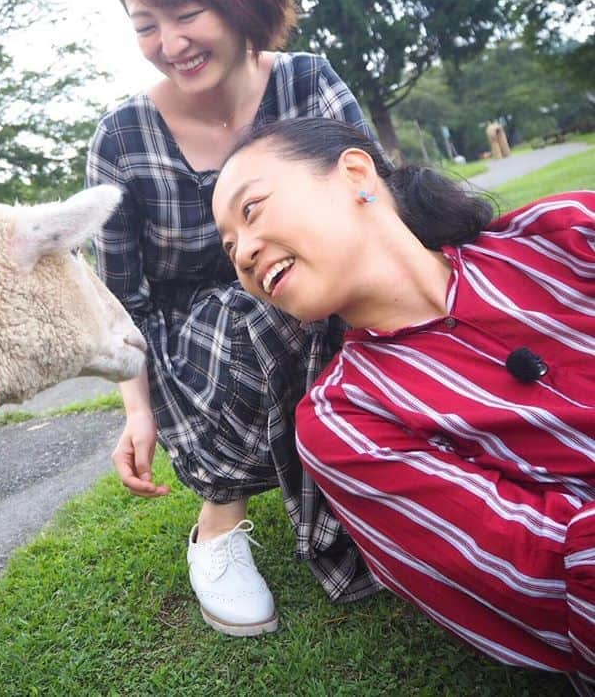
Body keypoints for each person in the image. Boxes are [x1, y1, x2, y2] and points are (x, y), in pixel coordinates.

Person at [86, 0, 380, 637]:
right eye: (145, 25)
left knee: (309, 289)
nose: (168, 42)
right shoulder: (123, 138)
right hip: (201, 349)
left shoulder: (308, 84)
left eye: (186, 14)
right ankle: (219, 521)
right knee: (262, 304)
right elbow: (121, 299)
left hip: (329, 298)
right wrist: (138, 410)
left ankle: (382, 477)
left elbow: (379, 205)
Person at [212, 115, 594, 686]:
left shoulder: (563, 233)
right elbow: (544, 574)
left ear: (356, 174)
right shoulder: (345, 422)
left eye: (251, 211)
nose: (242, 254)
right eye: (229, 247)